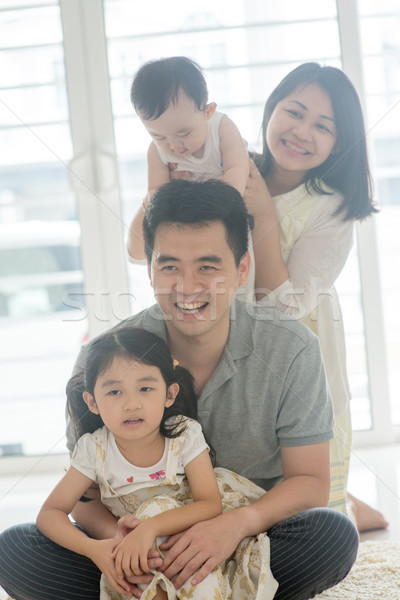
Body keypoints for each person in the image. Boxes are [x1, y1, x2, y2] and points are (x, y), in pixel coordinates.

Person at [0, 178, 359, 600]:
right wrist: (122, 545)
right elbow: (86, 495)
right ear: (150, 269)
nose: (187, 286)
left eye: (208, 266)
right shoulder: (102, 362)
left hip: (247, 538)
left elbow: (309, 480)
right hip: (138, 546)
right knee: (15, 549)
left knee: (332, 536)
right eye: (169, 266)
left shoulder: (292, 349)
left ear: (241, 269)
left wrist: (234, 525)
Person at [242, 62, 386, 530]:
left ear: (339, 143)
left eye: (323, 126)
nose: (302, 131)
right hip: (230, 340)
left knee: (306, 500)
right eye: (294, 112)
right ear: (271, 110)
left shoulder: (331, 205)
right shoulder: (235, 170)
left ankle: (348, 508)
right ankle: (351, 507)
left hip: (295, 349)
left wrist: (262, 209)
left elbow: (286, 307)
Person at [37, 327, 278, 600]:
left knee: (160, 514)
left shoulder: (185, 434)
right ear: (92, 401)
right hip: (136, 555)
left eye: (145, 388)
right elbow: (50, 514)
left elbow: (210, 504)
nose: (131, 404)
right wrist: (96, 549)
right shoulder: (93, 449)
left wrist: (150, 527)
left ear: (169, 394)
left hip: (192, 545)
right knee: (17, 547)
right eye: (115, 392)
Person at [126, 56, 249, 262]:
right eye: (159, 136)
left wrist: (223, 204)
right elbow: (156, 194)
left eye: (184, 133)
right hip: (189, 224)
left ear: (208, 111)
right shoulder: (156, 152)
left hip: (229, 212)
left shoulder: (221, 128)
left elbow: (238, 169)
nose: (174, 145)